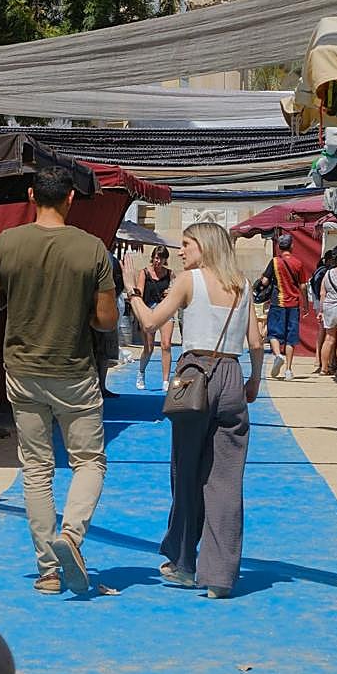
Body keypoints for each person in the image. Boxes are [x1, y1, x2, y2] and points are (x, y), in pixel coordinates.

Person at [0, 167, 118, 595]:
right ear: (71, 198)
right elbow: (107, 320)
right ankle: (71, 535)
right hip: (73, 371)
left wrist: (17, 299)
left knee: (36, 468)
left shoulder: (7, 243)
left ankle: (48, 571)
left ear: (32, 195)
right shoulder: (92, 248)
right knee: (88, 461)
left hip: (22, 369)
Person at [123, 223, 264, 599]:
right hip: (232, 375)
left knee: (185, 472)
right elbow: (255, 342)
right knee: (226, 481)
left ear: (204, 246)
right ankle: (220, 576)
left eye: (187, 244)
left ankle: (184, 563)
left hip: (194, 375)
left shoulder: (189, 280)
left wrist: (132, 291)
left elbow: (150, 322)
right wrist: (254, 380)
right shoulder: (242, 284)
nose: (181, 251)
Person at [260, 232, 308, 380]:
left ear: (279, 247)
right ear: (291, 246)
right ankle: (288, 370)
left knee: (273, 333)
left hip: (278, 302)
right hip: (293, 304)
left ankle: (277, 355)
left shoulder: (275, 262)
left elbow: (264, 282)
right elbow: (303, 286)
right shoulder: (298, 263)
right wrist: (305, 304)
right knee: (290, 337)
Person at [135, 245, 176, 390]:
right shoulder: (144, 273)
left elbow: (175, 290)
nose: (158, 261)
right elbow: (139, 291)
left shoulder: (170, 273)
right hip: (149, 310)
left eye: (162, 258)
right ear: (152, 257)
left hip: (165, 309)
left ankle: (165, 381)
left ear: (165, 260)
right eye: (157, 258)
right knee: (149, 347)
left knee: (166, 344)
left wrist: (171, 292)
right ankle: (141, 372)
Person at [93, 251, 124, 398]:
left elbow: (119, 283)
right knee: (94, 351)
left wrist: (111, 300)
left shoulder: (112, 260)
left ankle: (102, 386)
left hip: (106, 309)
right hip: (92, 311)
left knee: (104, 352)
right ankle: (96, 387)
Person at [309, 250, 334, 374]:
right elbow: (320, 290)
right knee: (324, 331)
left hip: (319, 303)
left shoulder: (319, 270)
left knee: (323, 331)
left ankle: (318, 358)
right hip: (322, 303)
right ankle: (319, 358)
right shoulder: (323, 271)